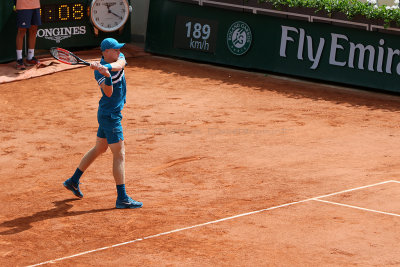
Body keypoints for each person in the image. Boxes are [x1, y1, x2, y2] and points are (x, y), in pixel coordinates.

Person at [63, 38, 143, 209]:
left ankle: (73, 180)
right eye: (115, 50)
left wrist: (105, 68)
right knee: (119, 154)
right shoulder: (98, 72)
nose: (119, 51)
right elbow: (108, 93)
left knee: (100, 148)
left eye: (118, 49)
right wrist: (105, 75)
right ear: (106, 52)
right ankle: (122, 198)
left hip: (109, 114)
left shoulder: (116, 60)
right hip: (110, 116)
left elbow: (120, 64)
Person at [15, 0, 41, 70]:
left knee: (33, 30)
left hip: (35, 5)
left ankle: (30, 57)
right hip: (23, 5)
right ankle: (19, 60)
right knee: (22, 31)